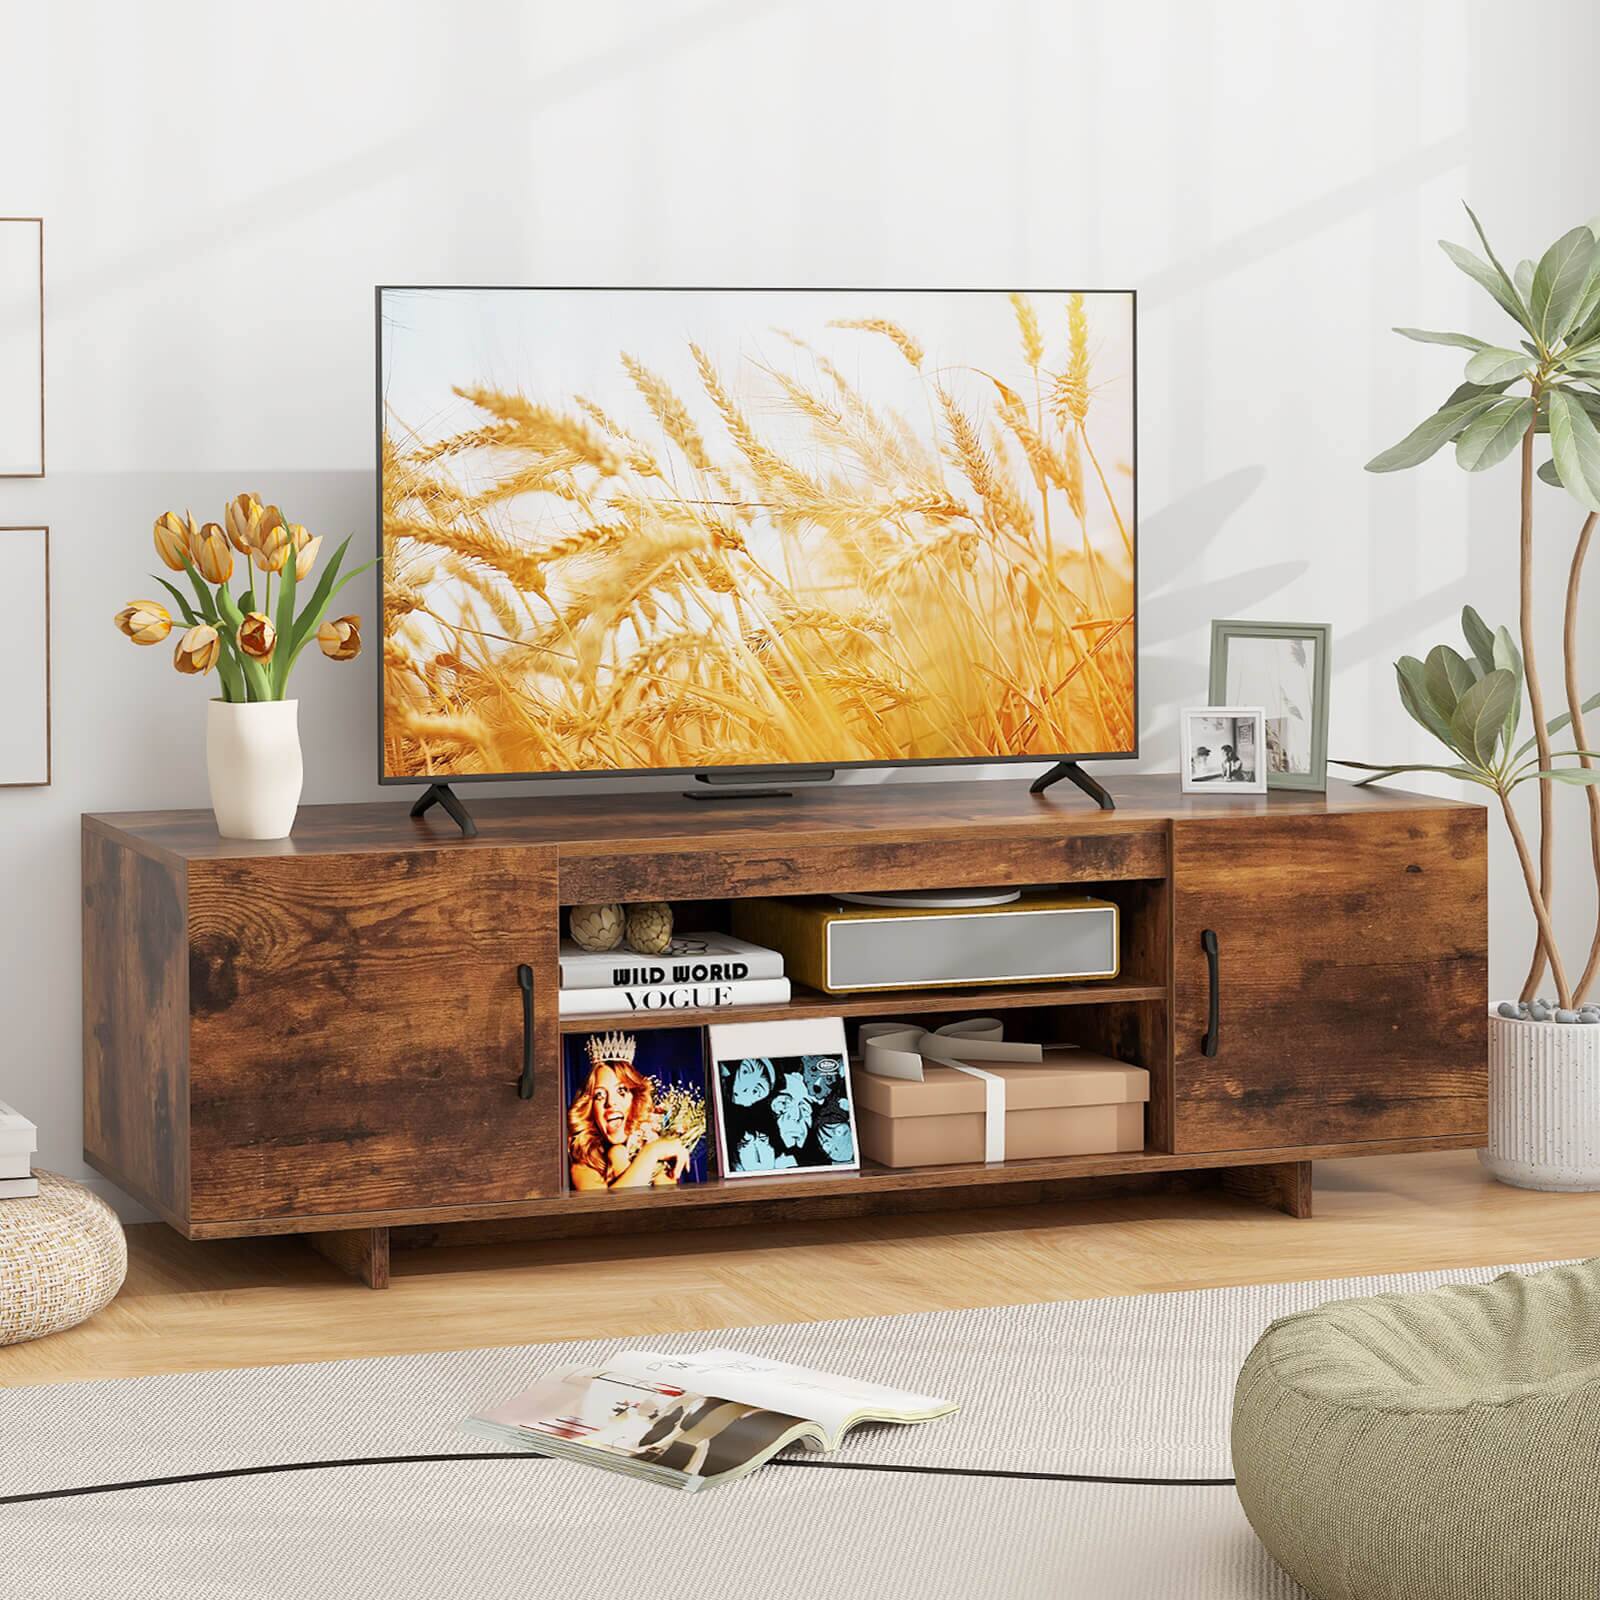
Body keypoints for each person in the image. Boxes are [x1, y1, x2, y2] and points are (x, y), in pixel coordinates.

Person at [568, 1035, 688, 1190]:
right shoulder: (583, 1168)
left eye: (621, 1090)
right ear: (591, 1108)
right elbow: (607, 1211)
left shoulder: (653, 1142)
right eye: (599, 1095)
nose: (610, 1102)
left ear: (636, 1099)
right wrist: (652, 1152)